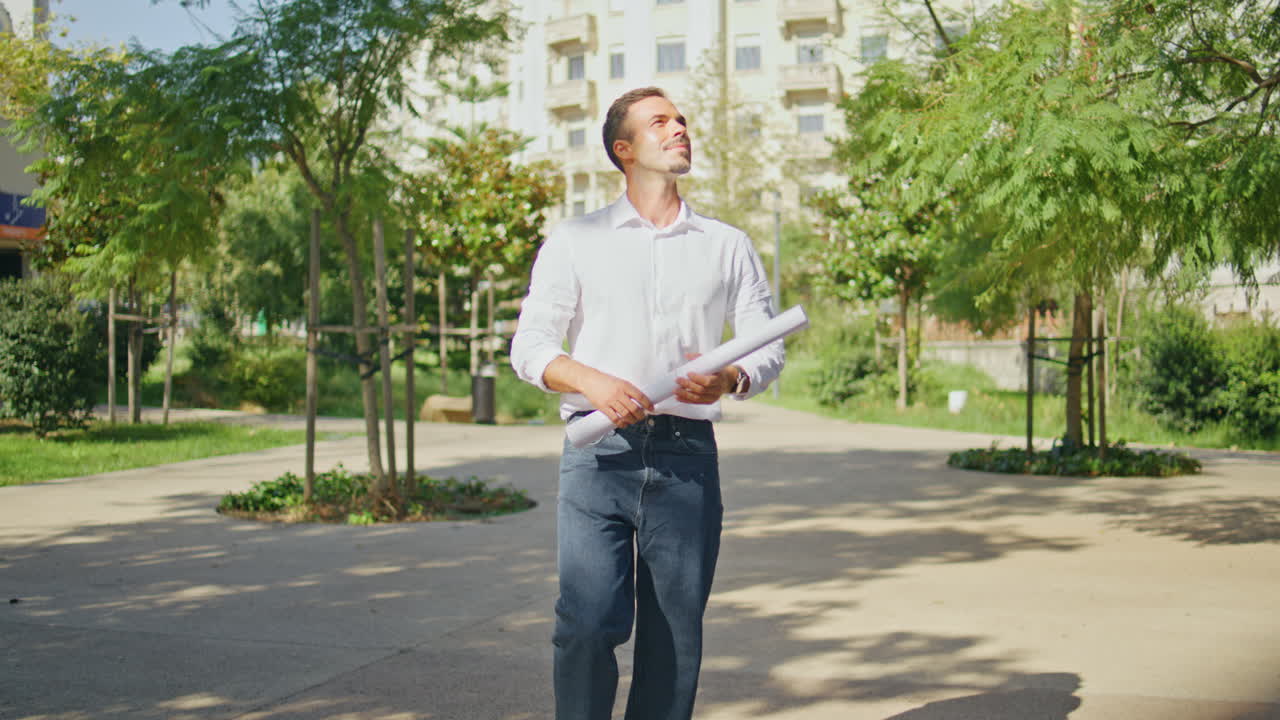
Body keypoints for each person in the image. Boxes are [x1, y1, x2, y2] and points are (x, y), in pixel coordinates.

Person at [510, 86, 784, 720]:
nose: (680, 128)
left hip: (687, 458)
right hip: (596, 452)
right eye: (661, 121)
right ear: (624, 149)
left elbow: (765, 345)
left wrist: (731, 376)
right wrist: (593, 381)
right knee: (585, 623)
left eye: (683, 119)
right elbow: (530, 346)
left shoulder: (727, 245)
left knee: (672, 640)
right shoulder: (577, 240)